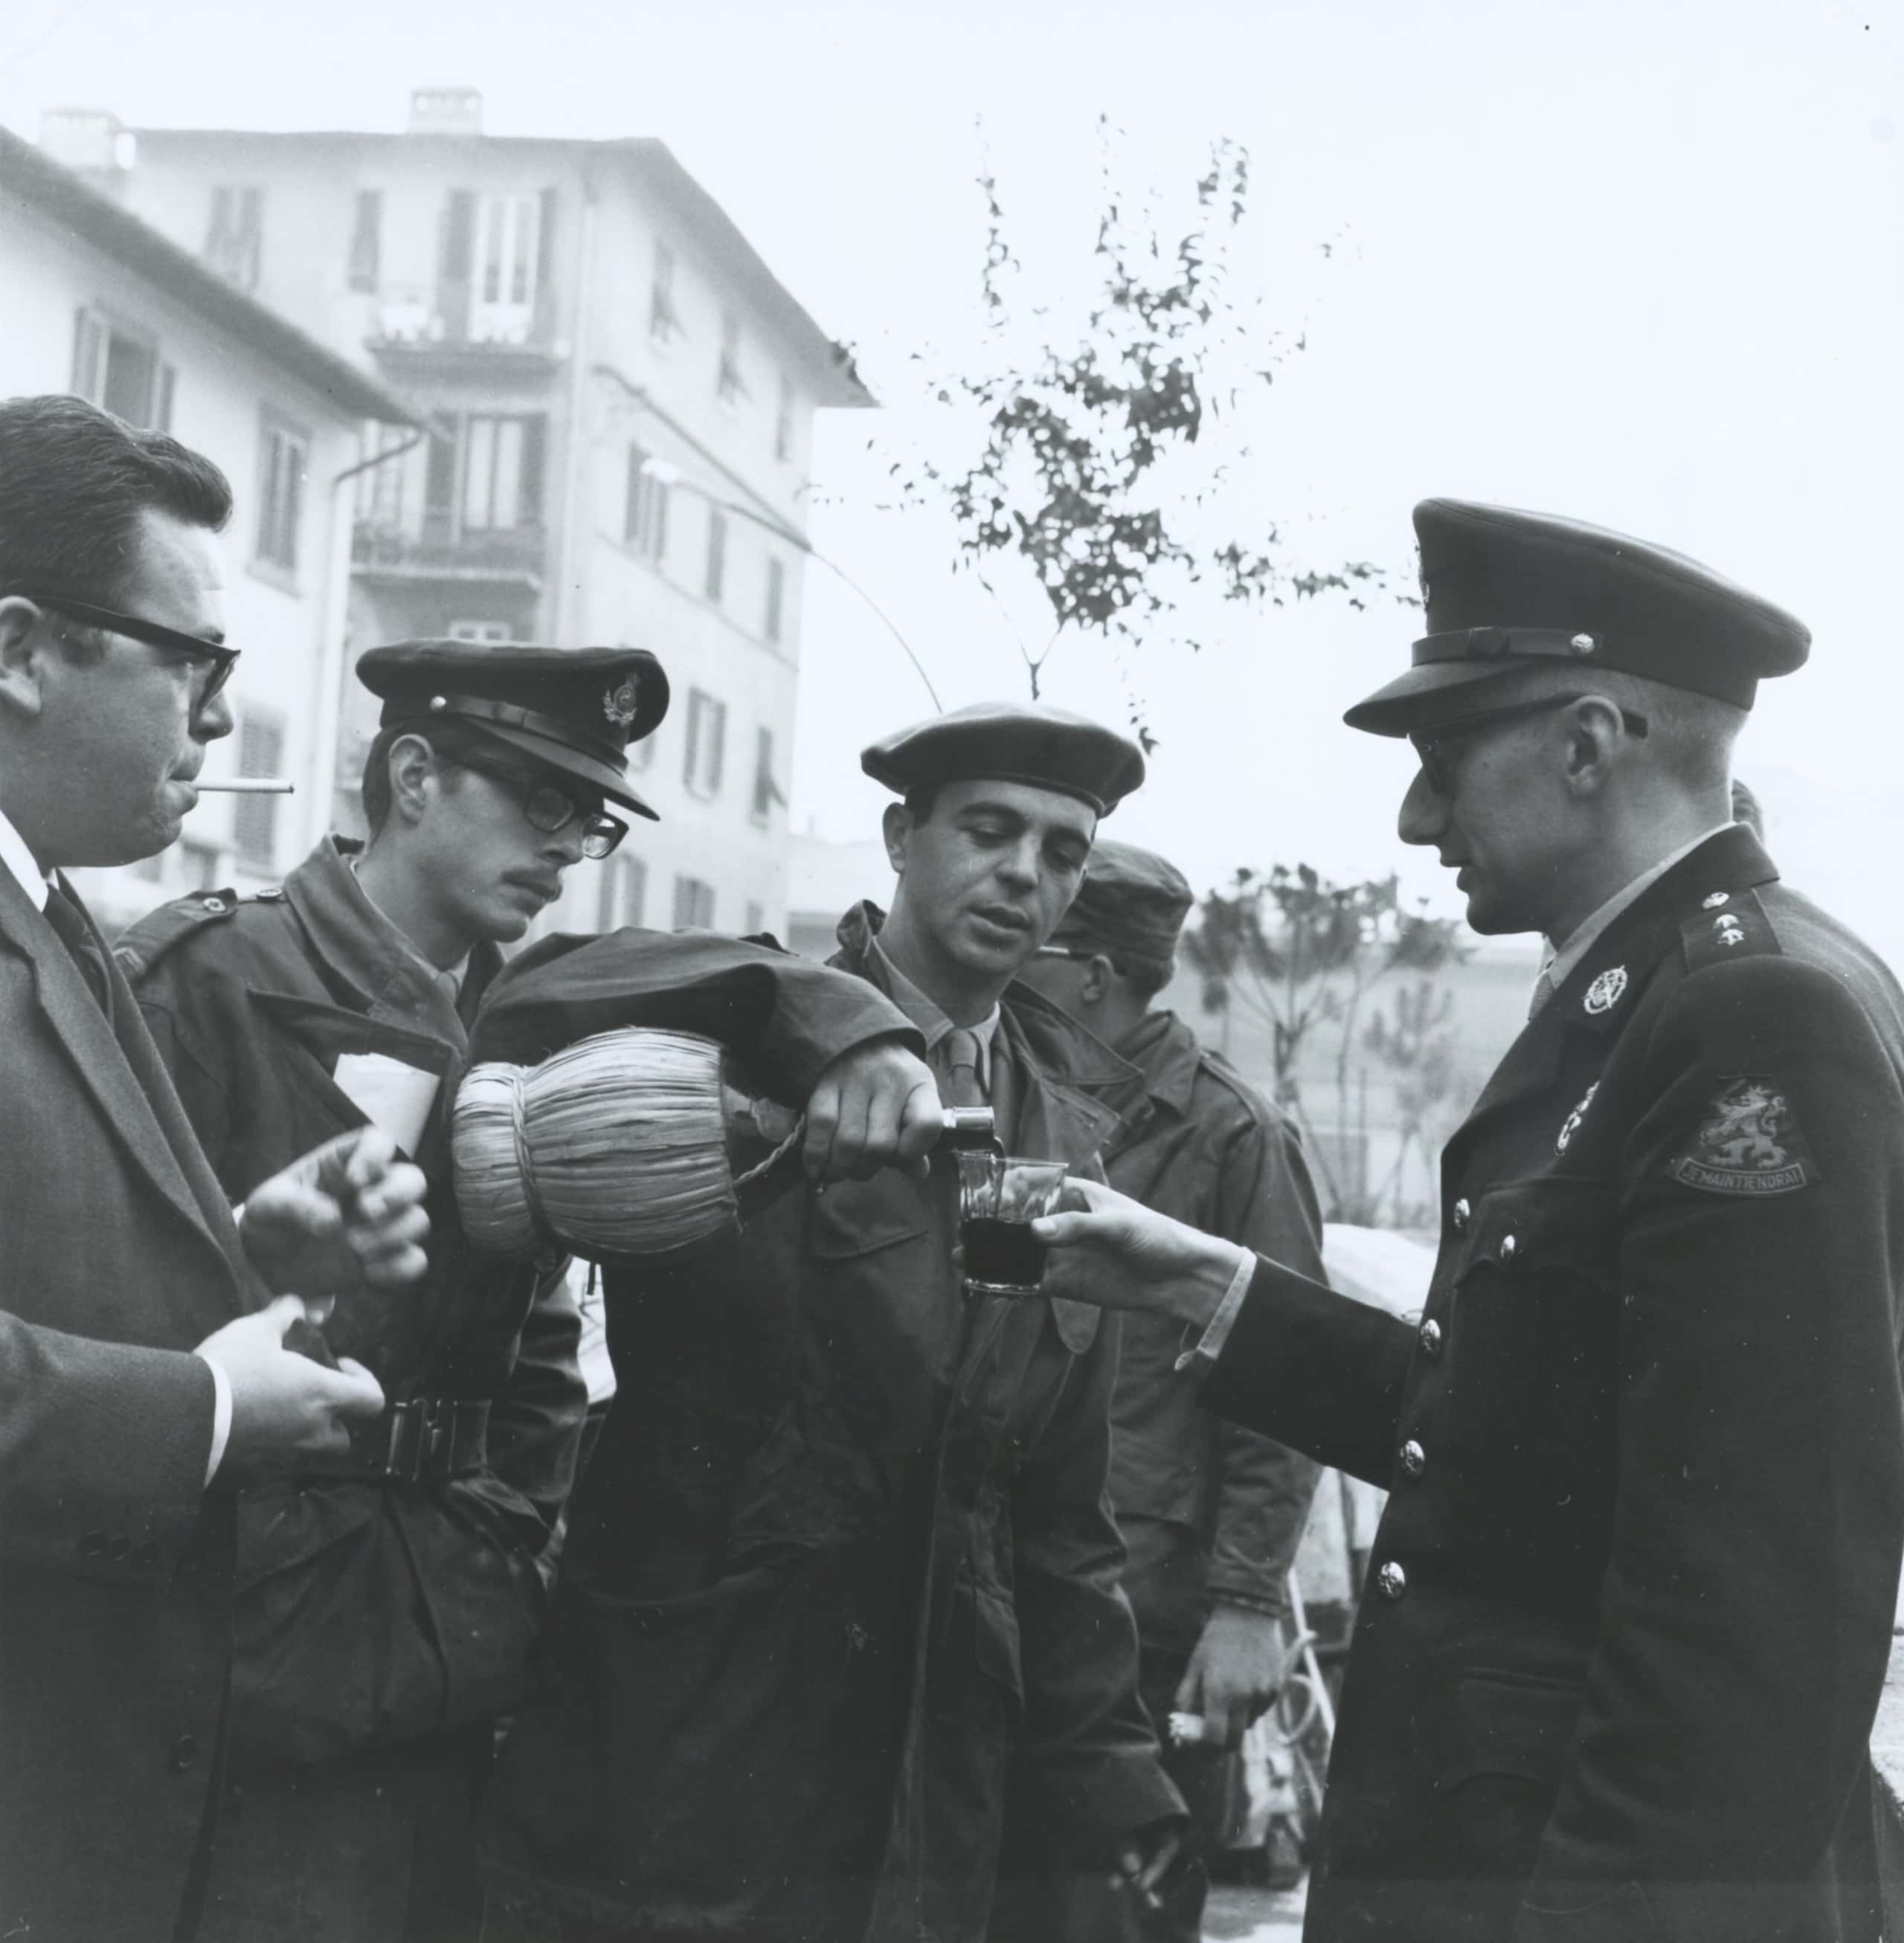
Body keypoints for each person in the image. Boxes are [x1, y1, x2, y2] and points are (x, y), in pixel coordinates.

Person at [1032, 499, 1904, 1943]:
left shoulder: (1747, 1010)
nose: (1411, 817)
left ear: (1582, 745)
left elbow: (1749, 1600)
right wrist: (1206, 1282)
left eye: (1441, 767)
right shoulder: (1661, 989)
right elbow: (1514, 1431)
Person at [477, 702, 1187, 1943]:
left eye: (1063, 851)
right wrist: (833, 1025)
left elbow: (1063, 1518)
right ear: (900, 836)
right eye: (988, 828)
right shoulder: (745, 1023)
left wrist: (1112, 1791)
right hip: (688, 1748)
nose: (1026, 873)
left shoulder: (1063, 1134)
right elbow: (532, 986)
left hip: (919, 1778)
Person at [111, 640, 664, 1939]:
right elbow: (108, 1286)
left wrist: (505, 1552)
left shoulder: (521, 1036)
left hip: (452, 1644)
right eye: (540, 804)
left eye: (587, 824)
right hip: (233, 1652)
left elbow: (541, 1350)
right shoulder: (202, 977)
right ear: (414, 775)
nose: (565, 845)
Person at [0, 392, 432, 1943]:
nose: (217, 716)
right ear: (22, 649)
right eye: (194, 659)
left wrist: (252, 1243)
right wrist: (205, 1408)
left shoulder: (57, 918)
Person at [1012, 837, 1325, 1936]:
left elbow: (1288, 1390)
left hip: (1147, 1619)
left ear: (1090, 974)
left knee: (1117, 1907)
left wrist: (1246, 1609)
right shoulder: (1012, 1108)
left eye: (1030, 952)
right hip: (1009, 1596)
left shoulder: (1238, 1136)